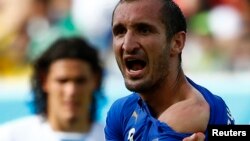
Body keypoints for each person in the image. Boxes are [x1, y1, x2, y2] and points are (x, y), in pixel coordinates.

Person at [104, 0, 235, 141]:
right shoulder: (123, 111)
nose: (127, 45)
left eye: (144, 30)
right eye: (120, 32)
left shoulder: (190, 116)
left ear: (177, 43)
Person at [0, 37, 105, 141]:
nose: (71, 91)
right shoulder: (9, 136)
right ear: (44, 81)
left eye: (80, 81)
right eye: (62, 81)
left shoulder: (114, 138)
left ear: (95, 81)